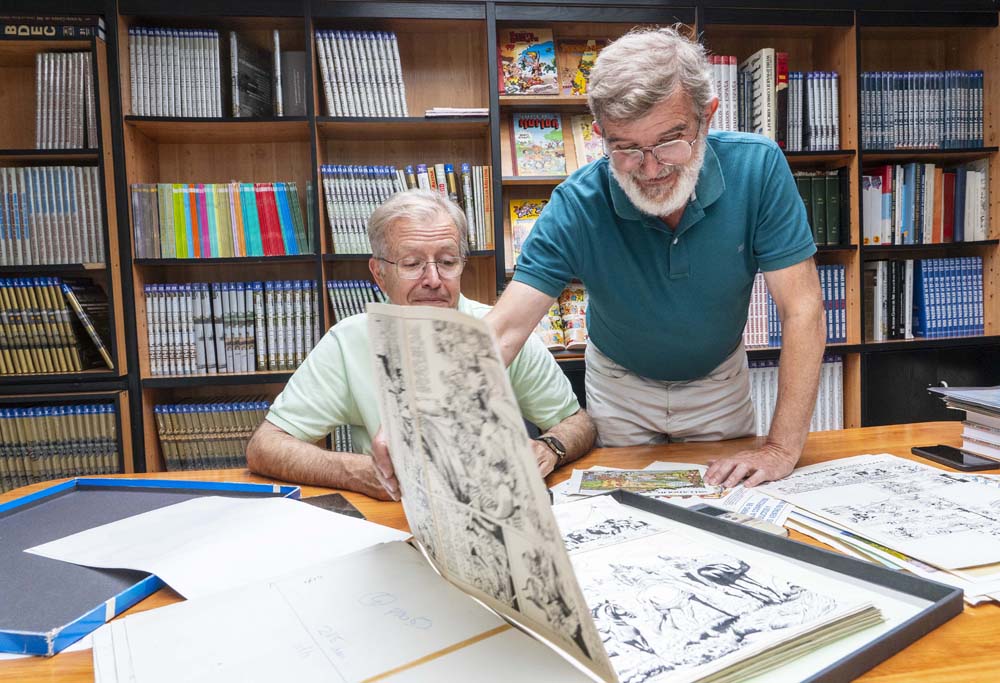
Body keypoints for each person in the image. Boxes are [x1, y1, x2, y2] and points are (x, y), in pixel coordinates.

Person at [481, 27, 826, 489]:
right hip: (619, 387)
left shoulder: (757, 167)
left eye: (669, 141)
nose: (650, 168)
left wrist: (781, 449)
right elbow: (504, 330)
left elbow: (802, 309)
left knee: (728, 503)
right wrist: (417, 421)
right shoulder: (578, 201)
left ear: (707, 117)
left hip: (718, 383)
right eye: (626, 148)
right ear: (600, 136)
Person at [246, 189, 596, 500]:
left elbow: (578, 424)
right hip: (398, 512)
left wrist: (550, 447)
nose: (433, 279)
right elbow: (265, 446)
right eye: (412, 264)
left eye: (447, 262)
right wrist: (356, 472)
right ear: (379, 273)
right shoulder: (348, 342)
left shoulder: (504, 330)